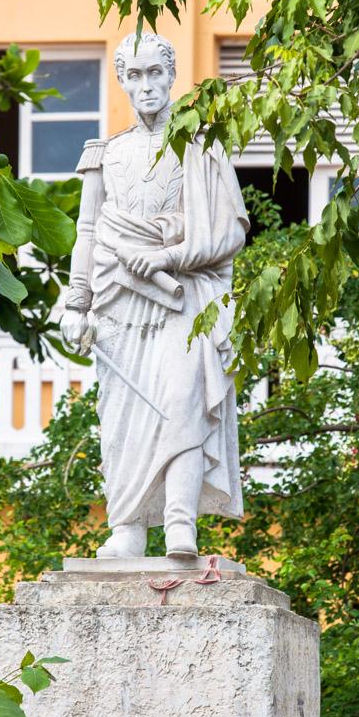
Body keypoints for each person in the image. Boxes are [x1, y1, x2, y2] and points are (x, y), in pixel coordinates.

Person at [61, 32, 249, 559]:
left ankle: (180, 522)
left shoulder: (201, 147)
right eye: (134, 75)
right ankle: (127, 526)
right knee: (123, 415)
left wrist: (169, 254)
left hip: (184, 298)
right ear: (121, 81)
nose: (146, 86)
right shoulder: (104, 154)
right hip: (119, 301)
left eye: (155, 74)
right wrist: (77, 304)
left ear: (172, 77)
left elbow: (230, 231)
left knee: (182, 401)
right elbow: (88, 231)